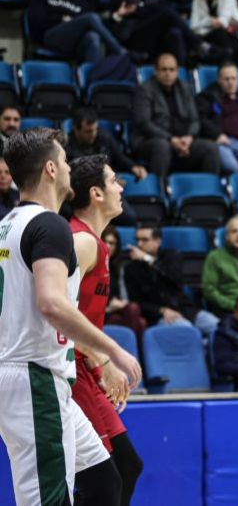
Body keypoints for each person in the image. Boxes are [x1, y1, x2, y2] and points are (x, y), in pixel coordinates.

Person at [0, 128, 141, 506]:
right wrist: (113, 350)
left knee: (105, 481)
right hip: (35, 377)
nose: (68, 167)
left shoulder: (7, 225)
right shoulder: (50, 226)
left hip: (41, 376)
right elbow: (53, 304)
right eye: (63, 160)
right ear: (50, 169)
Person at [68, 155, 144, 505]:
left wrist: (99, 366)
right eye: (114, 180)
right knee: (105, 482)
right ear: (96, 193)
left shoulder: (96, 244)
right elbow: (60, 315)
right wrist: (106, 361)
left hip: (86, 367)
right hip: (70, 370)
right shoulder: (80, 242)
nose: (121, 186)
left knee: (127, 467)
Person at [132, 53, 222, 176]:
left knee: (210, 148)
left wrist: (189, 137)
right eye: (164, 70)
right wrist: (171, 139)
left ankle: (208, 191)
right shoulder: (144, 90)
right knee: (162, 146)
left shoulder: (185, 88)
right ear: (156, 71)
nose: (168, 73)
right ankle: (159, 191)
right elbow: (144, 123)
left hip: (183, 141)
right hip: (150, 142)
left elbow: (195, 120)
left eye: (171, 70)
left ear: (177, 71)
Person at [109, 0, 215, 66]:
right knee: (166, 13)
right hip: (133, 37)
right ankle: (198, 44)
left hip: (154, 38)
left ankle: (180, 73)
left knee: (175, 32)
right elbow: (119, 15)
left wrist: (139, 9)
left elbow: (162, 10)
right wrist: (145, 10)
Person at [27, 0, 126, 64]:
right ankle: (120, 52)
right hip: (50, 37)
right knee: (90, 17)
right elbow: (35, 20)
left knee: (92, 36)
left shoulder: (77, 1)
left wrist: (116, 16)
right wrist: (61, 18)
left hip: (73, 41)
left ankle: (93, 76)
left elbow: (96, 24)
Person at [122, 225, 201, 329]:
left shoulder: (173, 256)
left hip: (185, 309)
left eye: (144, 240)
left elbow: (175, 279)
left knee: (215, 325)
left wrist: (147, 259)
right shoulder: (131, 268)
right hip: (158, 315)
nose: (139, 244)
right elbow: (136, 301)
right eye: (137, 240)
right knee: (185, 328)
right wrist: (162, 311)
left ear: (157, 242)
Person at [65, 107, 148, 183]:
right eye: (88, 131)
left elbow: (119, 158)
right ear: (76, 129)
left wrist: (133, 167)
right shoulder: (67, 146)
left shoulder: (105, 137)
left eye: (95, 129)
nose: (93, 134)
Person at [100, 225, 148, 344]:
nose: (108, 246)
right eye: (105, 242)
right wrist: (109, 305)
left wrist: (120, 303)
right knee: (138, 318)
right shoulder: (94, 265)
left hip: (116, 310)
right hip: (101, 312)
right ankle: (135, 358)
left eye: (112, 243)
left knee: (138, 318)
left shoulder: (117, 267)